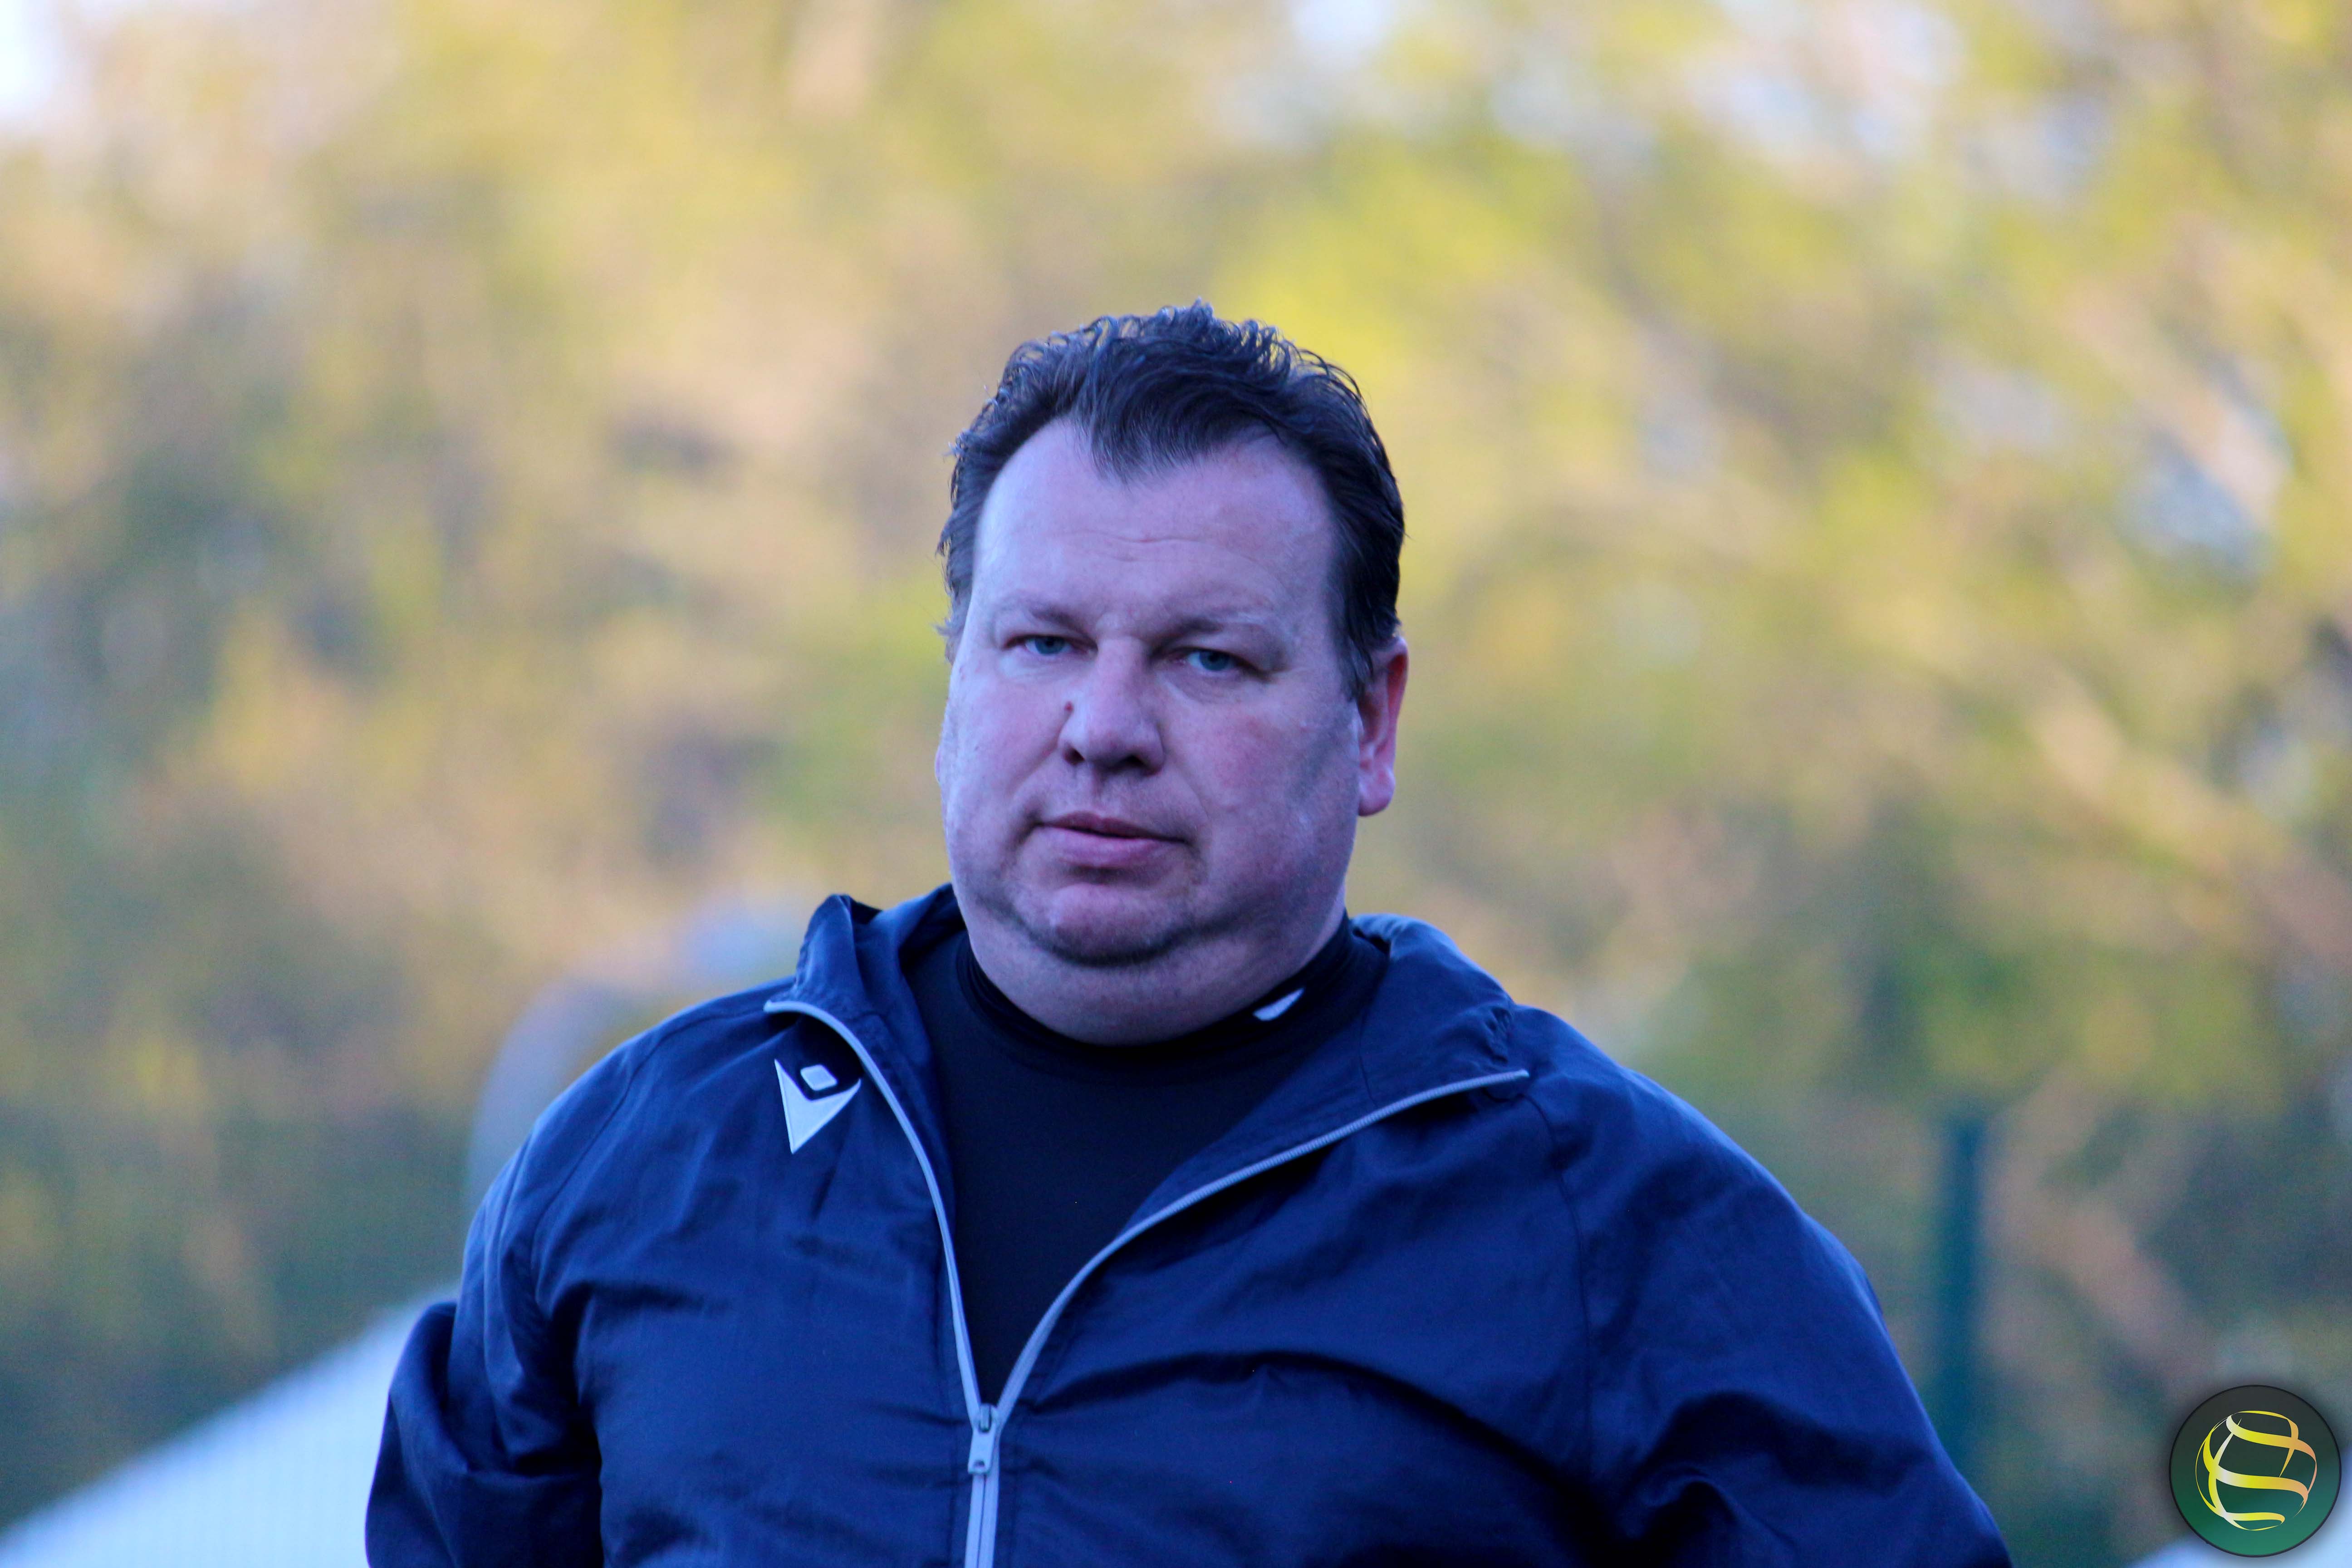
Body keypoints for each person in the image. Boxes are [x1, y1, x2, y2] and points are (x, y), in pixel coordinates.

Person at [368, 304, 2012, 1565]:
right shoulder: (648, 1156)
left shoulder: (1610, 1220)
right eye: (1041, 643)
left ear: (1372, 721)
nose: (1103, 727)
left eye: (1207, 660)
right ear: (955, 681)